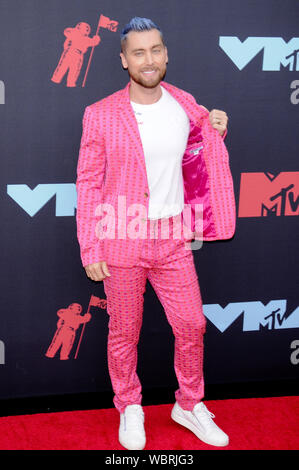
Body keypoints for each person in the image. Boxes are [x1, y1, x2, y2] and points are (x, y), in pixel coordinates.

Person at [76, 17, 236, 450]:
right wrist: (90, 246)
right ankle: (129, 404)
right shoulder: (101, 114)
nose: (149, 60)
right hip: (121, 237)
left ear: (165, 53)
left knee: (190, 325)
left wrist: (215, 130)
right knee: (125, 332)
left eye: (156, 50)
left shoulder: (186, 104)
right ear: (124, 60)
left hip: (173, 238)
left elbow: (199, 153)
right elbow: (88, 183)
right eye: (139, 52)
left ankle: (188, 403)